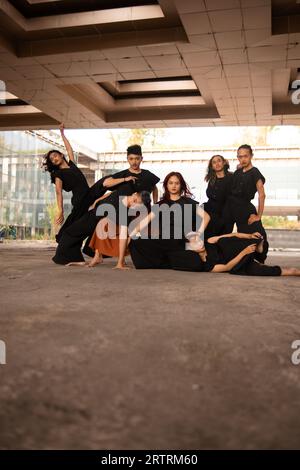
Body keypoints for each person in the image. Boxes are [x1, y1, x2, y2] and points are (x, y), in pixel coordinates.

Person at [84, 144, 160, 263]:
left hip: (143, 211)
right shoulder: (123, 174)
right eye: (131, 159)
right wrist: (97, 200)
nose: (134, 162)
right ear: (127, 159)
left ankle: (155, 254)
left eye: (137, 158)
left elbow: (155, 188)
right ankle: (99, 255)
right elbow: (108, 185)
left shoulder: (147, 175)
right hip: (124, 210)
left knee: (155, 229)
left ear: (141, 158)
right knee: (103, 225)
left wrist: (155, 203)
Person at [129, 172, 210, 269]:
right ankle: (170, 261)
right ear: (166, 185)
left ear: (181, 185)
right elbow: (145, 221)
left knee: (196, 264)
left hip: (181, 242)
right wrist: (132, 234)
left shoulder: (188, 202)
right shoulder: (161, 204)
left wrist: (198, 234)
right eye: (171, 183)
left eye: (177, 183)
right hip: (163, 241)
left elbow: (206, 217)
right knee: (136, 242)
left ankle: (169, 261)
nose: (174, 186)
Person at [52, 190, 151, 270]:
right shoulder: (121, 192)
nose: (132, 202)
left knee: (80, 232)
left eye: (136, 204)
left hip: (98, 221)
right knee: (70, 232)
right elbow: (109, 194)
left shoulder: (124, 213)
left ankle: (93, 257)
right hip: (92, 215)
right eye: (134, 199)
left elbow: (123, 236)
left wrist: (120, 262)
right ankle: (71, 257)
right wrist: (96, 201)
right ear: (134, 193)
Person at [42, 124, 107, 242]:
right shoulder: (58, 175)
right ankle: (62, 240)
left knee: (105, 183)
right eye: (52, 159)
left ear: (61, 155)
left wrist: (62, 134)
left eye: (55, 155)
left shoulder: (72, 164)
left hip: (88, 194)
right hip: (80, 200)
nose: (54, 159)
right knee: (72, 224)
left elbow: (69, 149)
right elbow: (58, 193)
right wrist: (60, 210)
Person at [171, 231, 300, 276]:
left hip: (236, 249)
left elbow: (232, 234)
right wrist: (244, 253)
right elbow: (227, 267)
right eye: (194, 242)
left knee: (223, 240)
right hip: (238, 263)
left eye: (197, 238)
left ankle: (258, 248)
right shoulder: (207, 265)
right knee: (284, 271)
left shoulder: (209, 241)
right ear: (191, 250)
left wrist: (249, 236)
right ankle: (295, 272)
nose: (198, 242)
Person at [223, 144, 269, 262]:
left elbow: (262, 195)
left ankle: (257, 259)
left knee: (256, 234)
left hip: (244, 208)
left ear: (251, 156)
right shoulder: (238, 172)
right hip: (230, 207)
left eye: (245, 156)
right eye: (240, 156)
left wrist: (259, 215)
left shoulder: (255, 172)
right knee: (226, 233)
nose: (242, 159)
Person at [203, 154, 233, 238]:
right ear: (212, 167)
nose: (217, 163)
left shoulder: (232, 177)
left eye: (219, 161)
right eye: (214, 162)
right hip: (210, 210)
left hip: (223, 214)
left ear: (224, 163)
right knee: (189, 208)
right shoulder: (212, 179)